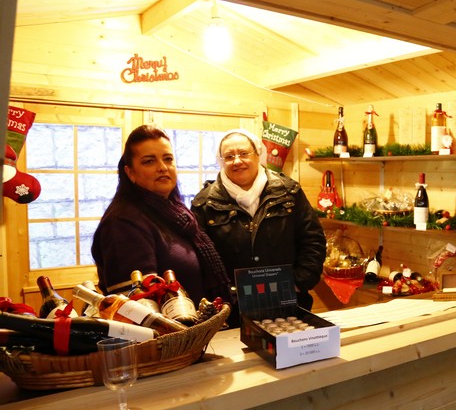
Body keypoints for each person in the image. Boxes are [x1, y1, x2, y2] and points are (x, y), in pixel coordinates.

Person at [191, 128, 325, 326]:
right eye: (229, 156)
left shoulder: (289, 192)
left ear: (257, 154)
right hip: (231, 311)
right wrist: (222, 295)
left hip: (289, 302)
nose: (237, 161)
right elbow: (199, 258)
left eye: (244, 153)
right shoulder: (204, 203)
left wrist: (298, 283)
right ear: (221, 161)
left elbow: (313, 240)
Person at [92, 125, 230, 304]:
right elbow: (139, 308)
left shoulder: (177, 212)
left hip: (199, 326)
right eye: (149, 161)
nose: (163, 167)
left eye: (168, 159)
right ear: (130, 172)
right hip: (169, 331)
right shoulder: (123, 223)